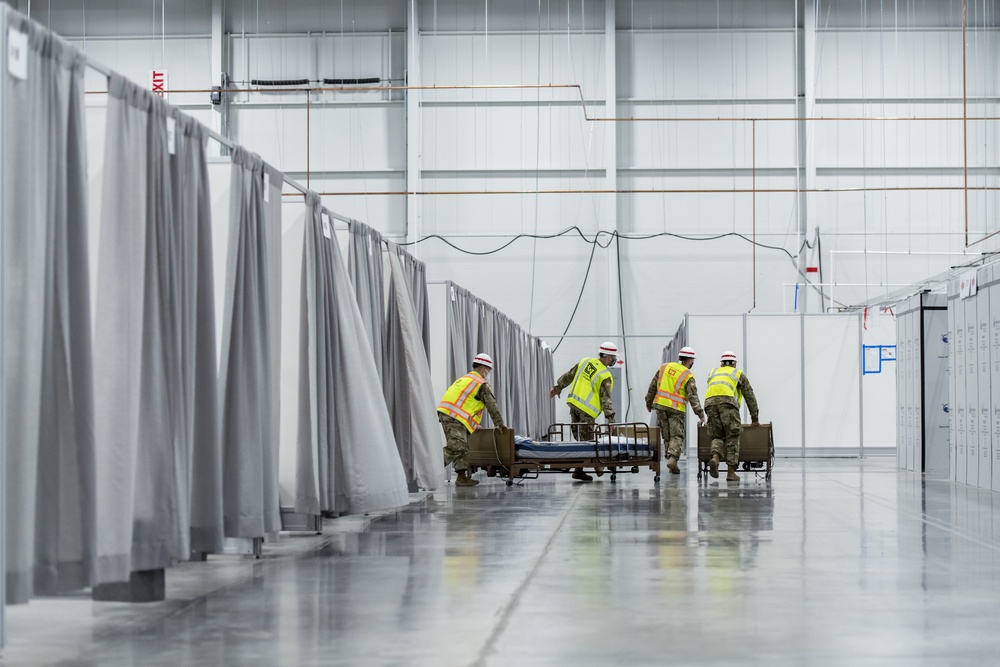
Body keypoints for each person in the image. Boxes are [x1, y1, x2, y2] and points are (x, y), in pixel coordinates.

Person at [549, 341, 618, 482]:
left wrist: (558, 388)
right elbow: (606, 400)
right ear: (608, 357)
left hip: (574, 405)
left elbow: (569, 375)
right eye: (612, 357)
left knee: (580, 439)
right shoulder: (604, 374)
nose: (613, 360)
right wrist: (611, 420)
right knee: (588, 441)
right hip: (586, 410)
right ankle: (598, 467)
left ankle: (578, 470)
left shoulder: (585, 361)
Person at [438, 353, 508, 487]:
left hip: (448, 413)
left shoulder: (465, 379)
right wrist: (499, 423)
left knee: (463, 448)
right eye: (488, 370)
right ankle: (429, 470)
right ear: (484, 368)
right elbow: (491, 404)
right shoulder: (481, 383)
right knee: (457, 446)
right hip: (453, 415)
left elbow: (466, 404)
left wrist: (473, 424)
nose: (488, 373)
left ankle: (462, 477)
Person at [645, 346, 707, 475]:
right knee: (677, 435)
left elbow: (652, 386)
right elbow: (693, 397)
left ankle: (671, 461)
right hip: (676, 408)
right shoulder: (687, 375)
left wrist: (648, 402)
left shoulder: (664, 367)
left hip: (661, 406)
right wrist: (700, 414)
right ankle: (673, 458)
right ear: (689, 360)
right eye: (692, 360)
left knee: (666, 434)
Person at [704, 351, 760, 482]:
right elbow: (749, 396)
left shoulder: (713, 372)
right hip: (727, 404)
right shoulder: (737, 373)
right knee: (732, 436)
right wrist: (755, 418)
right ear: (734, 363)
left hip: (709, 404)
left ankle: (715, 458)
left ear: (721, 364)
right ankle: (731, 473)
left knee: (717, 436)